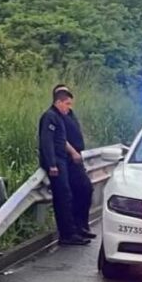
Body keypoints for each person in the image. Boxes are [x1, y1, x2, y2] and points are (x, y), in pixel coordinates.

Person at [39, 88, 90, 246]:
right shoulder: (50, 116)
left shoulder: (59, 117)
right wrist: (51, 164)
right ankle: (67, 235)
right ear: (58, 102)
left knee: (68, 195)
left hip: (62, 160)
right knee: (63, 197)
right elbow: (46, 142)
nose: (68, 107)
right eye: (67, 104)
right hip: (57, 161)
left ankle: (74, 230)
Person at [56, 85, 97, 239]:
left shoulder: (70, 114)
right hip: (69, 158)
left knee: (85, 191)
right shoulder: (57, 115)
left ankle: (82, 226)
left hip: (77, 157)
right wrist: (72, 151)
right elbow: (61, 137)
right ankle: (76, 228)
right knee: (80, 190)